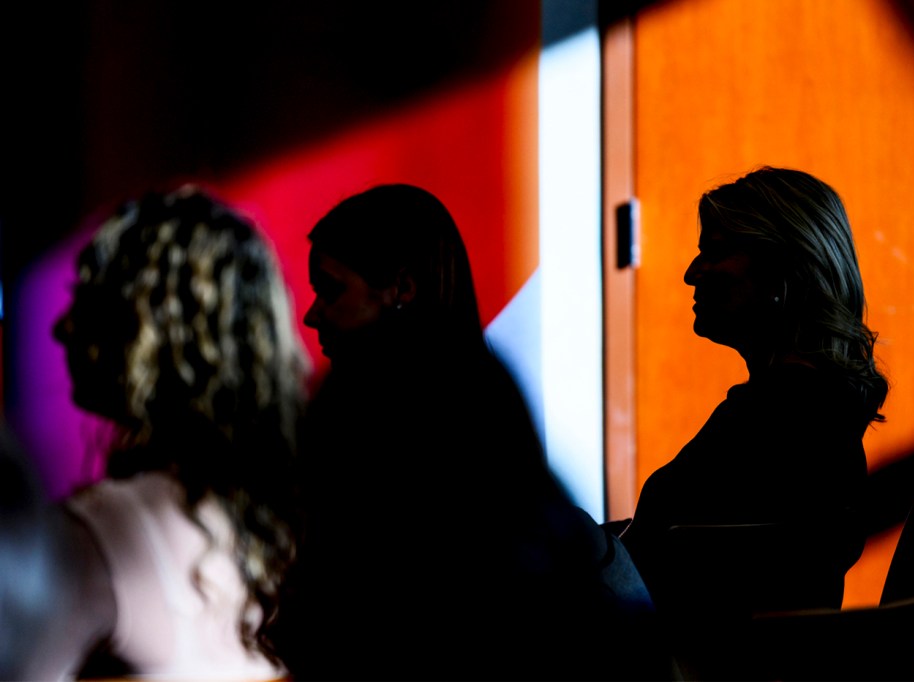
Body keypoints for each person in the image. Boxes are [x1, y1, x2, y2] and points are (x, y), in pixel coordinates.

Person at [274, 183, 672, 681]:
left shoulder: (377, 463)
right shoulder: (500, 416)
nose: (312, 315)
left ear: (402, 288)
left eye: (330, 290)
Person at [23, 185, 310, 680]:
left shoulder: (101, 538)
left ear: (145, 326)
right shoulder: (298, 521)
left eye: (88, 299)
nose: (61, 328)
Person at [616, 166, 890, 679]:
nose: (691, 273)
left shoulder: (761, 427)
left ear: (784, 277)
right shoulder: (827, 419)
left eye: (715, 251)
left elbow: (639, 576)